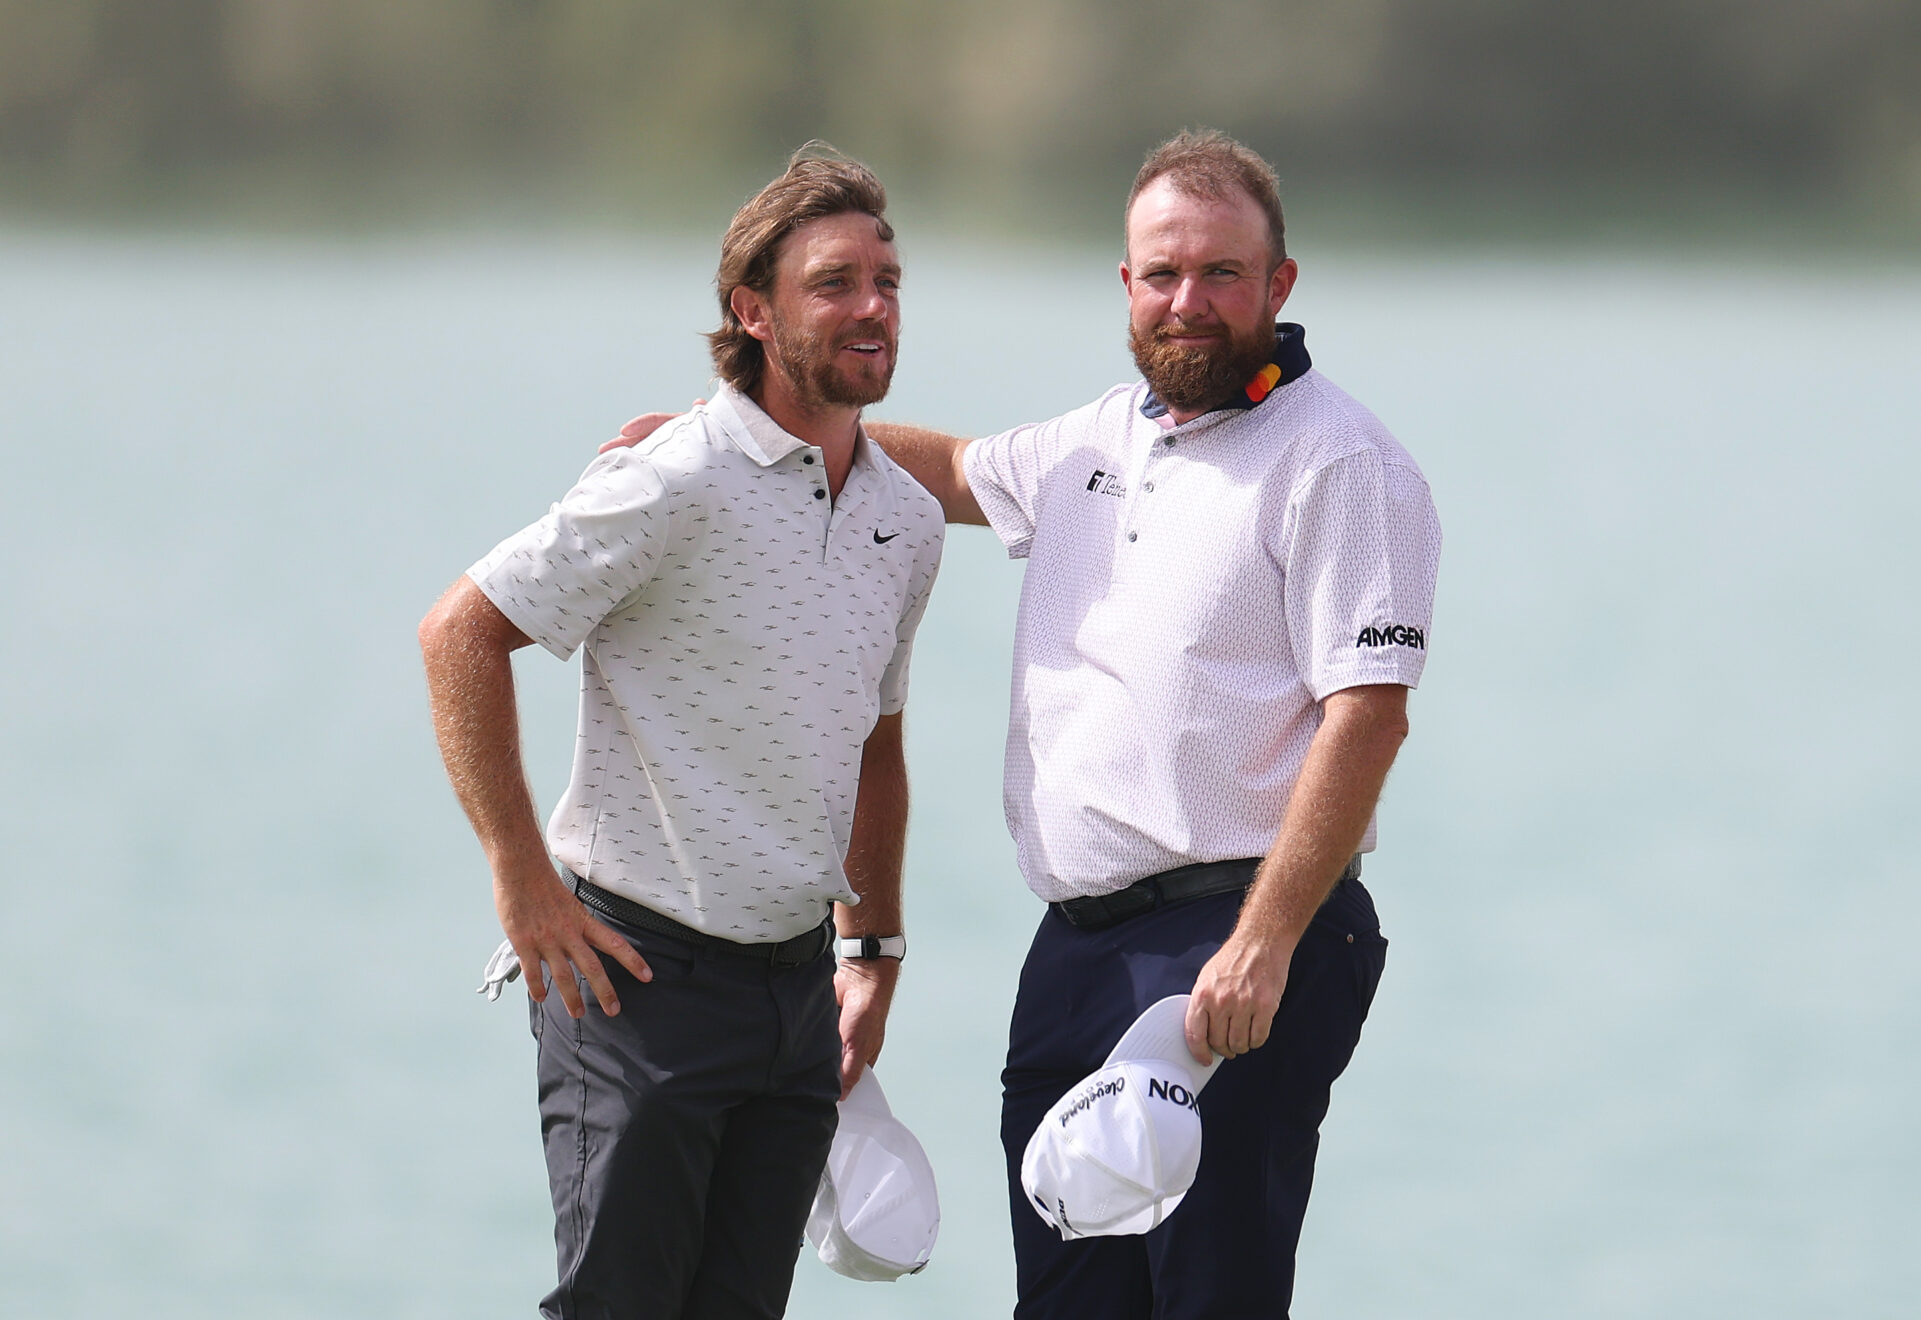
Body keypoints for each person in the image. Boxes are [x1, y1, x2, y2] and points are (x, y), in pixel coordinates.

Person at [614, 128, 1441, 1319]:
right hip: (1076, 949)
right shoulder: (1096, 440)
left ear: (1280, 284)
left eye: (1222, 273)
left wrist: (1264, 944)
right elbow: (949, 469)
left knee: (1209, 1295)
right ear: (1127, 284)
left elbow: (1366, 721)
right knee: (1064, 1302)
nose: (1189, 301)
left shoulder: (1341, 463)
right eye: (1164, 273)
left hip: (1244, 935)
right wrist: (744, 437)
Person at [419, 147, 944, 1320]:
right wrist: (522, 880)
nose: (873, 306)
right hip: (633, 984)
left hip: (796, 996)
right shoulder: (670, 479)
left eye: (888, 281)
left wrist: (872, 950)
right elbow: (459, 635)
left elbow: (876, 742)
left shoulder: (906, 523)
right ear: (754, 312)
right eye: (835, 283)